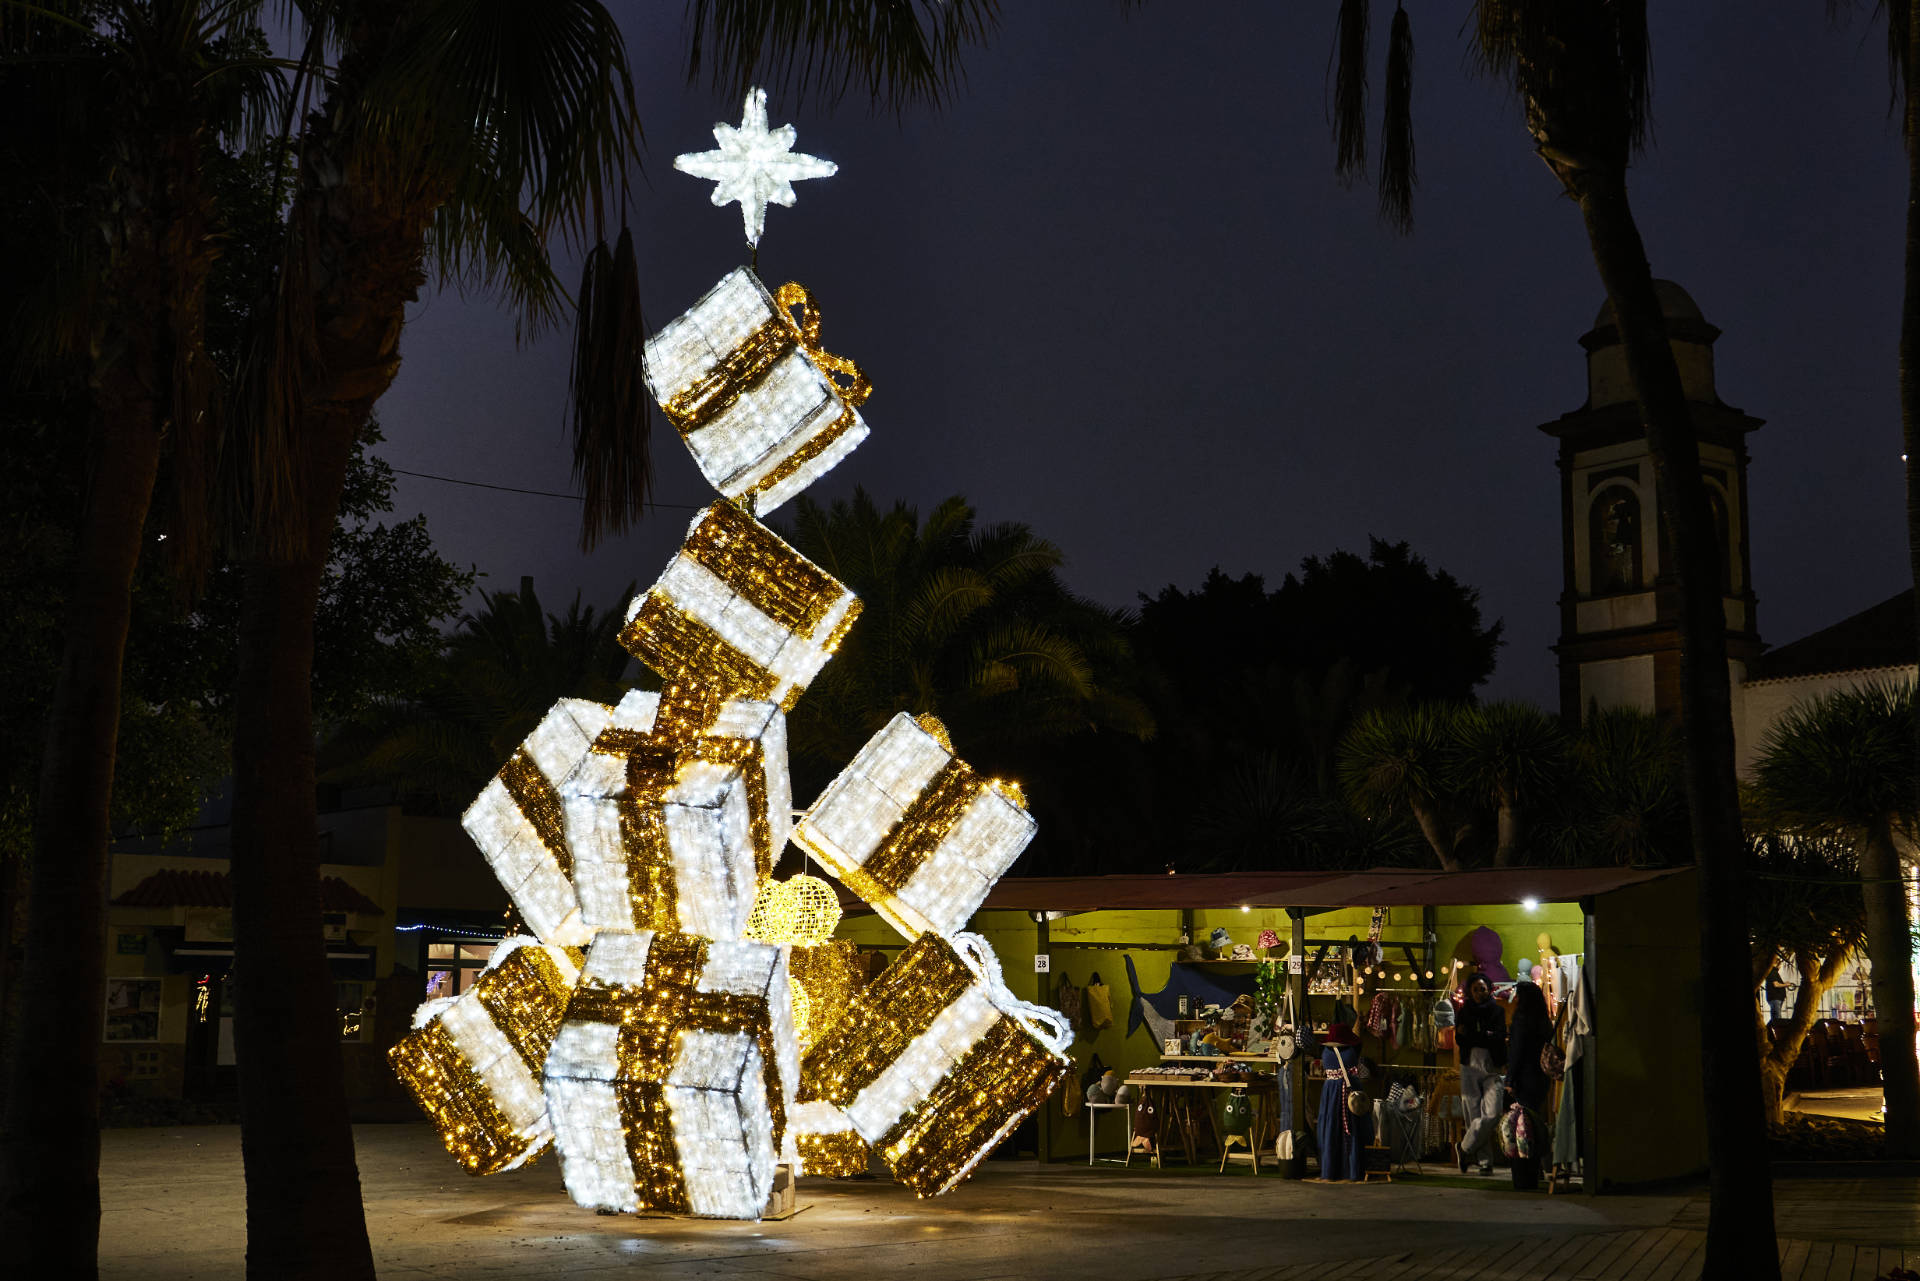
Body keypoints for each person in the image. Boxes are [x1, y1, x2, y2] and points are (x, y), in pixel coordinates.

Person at [1504, 981, 1554, 1190]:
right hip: (1541, 1077)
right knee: (1535, 1124)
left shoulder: (1521, 1020)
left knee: (1521, 1128)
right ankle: (1536, 1170)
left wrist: (1509, 1080)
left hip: (1524, 1077)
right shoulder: (1544, 1021)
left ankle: (1522, 1174)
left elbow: (1516, 1052)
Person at [1455, 974, 1507, 1174]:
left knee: (1492, 1113)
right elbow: (1461, 1039)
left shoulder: (1497, 1011)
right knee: (1473, 1114)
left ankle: (1465, 1148)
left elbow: (1499, 1036)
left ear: (1489, 989)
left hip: (1492, 1066)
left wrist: (1477, 1036)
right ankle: (1485, 1163)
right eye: (1475, 989)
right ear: (1470, 991)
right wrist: (1486, 1035)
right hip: (1469, 1065)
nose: (1479, 993)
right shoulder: (1464, 1012)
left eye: (1482, 989)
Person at [1315, 1022, 1373, 1181]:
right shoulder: (1353, 1048)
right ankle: (1353, 1169)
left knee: (1331, 1126)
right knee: (1353, 1127)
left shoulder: (1325, 1051)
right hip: (1350, 1090)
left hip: (1330, 1092)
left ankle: (1330, 1169)